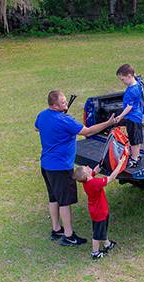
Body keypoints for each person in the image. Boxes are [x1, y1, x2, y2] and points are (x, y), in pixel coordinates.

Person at [35, 90, 117, 246]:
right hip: (61, 167)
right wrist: (108, 123)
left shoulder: (42, 115)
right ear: (54, 105)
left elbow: (37, 128)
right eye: (63, 103)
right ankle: (68, 235)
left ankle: (56, 229)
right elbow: (88, 131)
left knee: (53, 198)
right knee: (65, 202)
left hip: (46, 165)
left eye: (66, 101)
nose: (66, 104)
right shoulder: (65, 121)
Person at [73, 156, 126, 259]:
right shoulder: (94, 183)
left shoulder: (87, 180)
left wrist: (101, 163)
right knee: (97, 234)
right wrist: (120, 164)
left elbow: (95, 170)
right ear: (87, 175)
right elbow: (111, 178)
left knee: (102, 229)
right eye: (86, 168)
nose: (88, 166)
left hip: (98, 210)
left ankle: (107, 244)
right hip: (99, 212)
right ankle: (95, 253)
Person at [114, 64, 144, 168]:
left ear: (130, 76)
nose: (122, 82)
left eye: (123, 79)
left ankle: (134, 159)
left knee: (134, 139)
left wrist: (120, 116)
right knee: (137, 138)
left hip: (133, 117)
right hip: (137, 116)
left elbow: (129, 107)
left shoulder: (132, 90)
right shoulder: (136, 84)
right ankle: (137, 155)